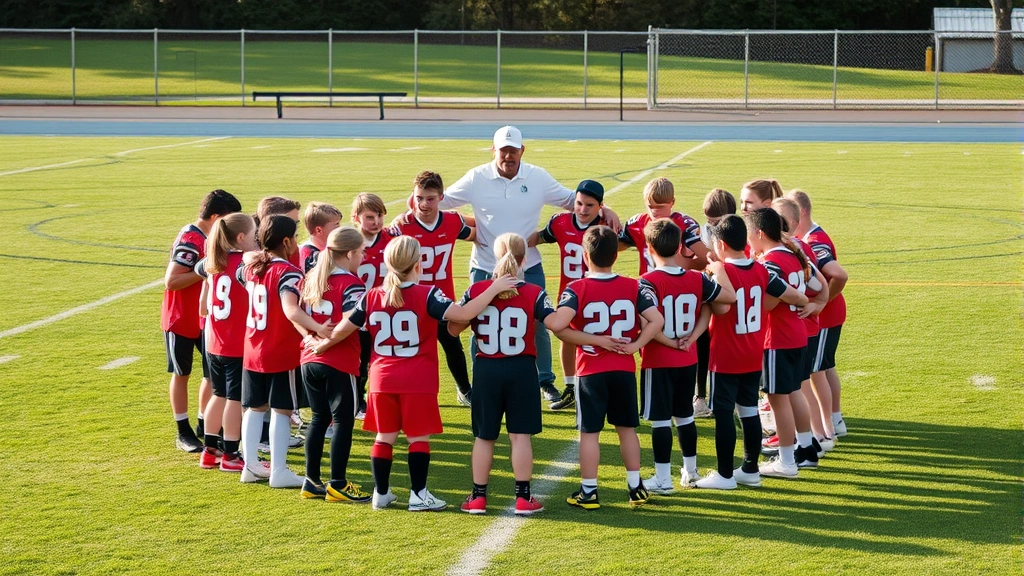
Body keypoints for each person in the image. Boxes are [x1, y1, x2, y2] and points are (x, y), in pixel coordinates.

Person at [402, 125, 621, 404]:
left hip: (528, 266)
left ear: (522, 150)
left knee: (539, 322)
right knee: (475, 320)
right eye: (503, 150)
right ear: (494, 150)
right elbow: (439, 200)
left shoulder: (537, 177)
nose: (508, 155)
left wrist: (605, 208)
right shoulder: (477, 177)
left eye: (513, 150)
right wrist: (409, 212)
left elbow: (573, 200)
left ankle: (544, 381)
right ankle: (479, 380)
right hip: (485, 265)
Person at [310, 236, 517, 512]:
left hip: (381, 379)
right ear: (418, 263)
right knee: (417, 438)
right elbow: (464, 313)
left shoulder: (371, 296)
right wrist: (494, 288)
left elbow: (344, 328)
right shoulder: (427, 293)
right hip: (416, 378)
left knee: (384, 436)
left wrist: (320, 344)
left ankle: (380, 494)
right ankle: (419, 495)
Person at [450, 233, 614, 516]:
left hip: (487, 369)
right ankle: (523, 498)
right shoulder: (534, 292)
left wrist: (486, 294)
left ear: (494, 258)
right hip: (522, 369)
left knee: (484, 437)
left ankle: (478, 497)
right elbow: (555, 323)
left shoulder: (478, 290)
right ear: (524, 259)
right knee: (520, 436)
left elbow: (453, 328)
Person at [546, 226, 665, 510]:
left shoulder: (577, 288)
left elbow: (557, 326)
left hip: (591, 371)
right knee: (627, 430)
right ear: (616, 255)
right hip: (623, 367)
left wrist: (596, 340)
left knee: (589, 433)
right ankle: (636, 487)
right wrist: (635, 346)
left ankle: (589, 491)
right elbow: (656, 321)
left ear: (585, 256)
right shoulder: (633, 285)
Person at [693, 215, 808, 490]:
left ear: (720, 245)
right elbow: (796, 296)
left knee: (723, 414)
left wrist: (716, 271)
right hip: (753, 352)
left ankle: (724, 475)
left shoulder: (721, 272)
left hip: (725, 354)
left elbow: (721, 307)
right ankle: (750, 467)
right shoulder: (762, 270)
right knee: (748, 412)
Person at [638, 219, 734, 494]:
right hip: (687, 357)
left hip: (659, 359)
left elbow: (649, 323)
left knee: (660, 420)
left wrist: (670, 341)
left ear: (649, 247)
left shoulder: (647, 281)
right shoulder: (696, 278)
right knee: (685, 417)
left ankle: (662, 479)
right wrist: (691, 337)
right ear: (681, 247)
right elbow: (722, 300)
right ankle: (690, 473)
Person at [238, 215, 332, 488]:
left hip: (253, 347)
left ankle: (250, 465)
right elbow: (291, 309)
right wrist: (317, 328)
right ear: (287, 241)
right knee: (281, 410)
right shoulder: (288, 272)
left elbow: (243, 266)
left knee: (254, 408)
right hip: (278, 348)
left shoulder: (252, 267)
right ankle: (278, 470)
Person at [746, 208, 828, 478]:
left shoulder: (769, 262)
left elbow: (771, 301)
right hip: (797, 332)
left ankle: (786, 460)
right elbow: (819, 285)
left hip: (778, 336)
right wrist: (815, 304)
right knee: (794, 392)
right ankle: (806, 449)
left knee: (777, 397)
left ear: (759, 233)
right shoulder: (794, 253)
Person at [297, 227, 372, 503]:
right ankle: (338, 482)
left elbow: (295, 314)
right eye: (361, 252)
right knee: (342, 421)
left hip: (309, 360)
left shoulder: (312, 278)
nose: (363, 257)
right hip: (338, 360)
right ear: (350, 253)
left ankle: (311, 480)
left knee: (319, 418)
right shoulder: (352, 284)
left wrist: (310, 338)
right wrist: (324, 343)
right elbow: (352, 323)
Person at [162, 189, 241, 453]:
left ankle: (204, 424)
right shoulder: (192, 238)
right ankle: (182, 431)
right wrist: (207, 267)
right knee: (182, 373)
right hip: (180, 317)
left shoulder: (209, 236)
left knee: (211, 375)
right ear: (216, 216)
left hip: (206, 317)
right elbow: (172, 281)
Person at [391, 171, 477, 406]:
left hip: (441, 298)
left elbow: (476, 233)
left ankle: (464, 389)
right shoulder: (402, 226)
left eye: (430, 198)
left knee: (452, 345)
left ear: (441, 197)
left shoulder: (452, 221)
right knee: (408, 349)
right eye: (419, 198)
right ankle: (405, 392)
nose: (423, 204)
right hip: (411, 299)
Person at [528, 179, 606, 410]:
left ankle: (598, 386)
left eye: (589, 205)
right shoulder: (560, 222)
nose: (582, 210)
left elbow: (622, 244)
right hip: (569, 293)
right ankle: (571, 387)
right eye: (579, 203)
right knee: (566, 335)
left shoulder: (607, 225)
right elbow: (540, 237)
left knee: (597, 338)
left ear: (600, 206)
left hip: (598, 293)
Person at [194, 212, 257, 472]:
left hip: (214, 343)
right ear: (241, 238)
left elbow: (201, 274)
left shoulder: (213, 262)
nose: (256, 241)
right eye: (254, 236)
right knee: (234, 399)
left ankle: (210, 451)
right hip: (235, 343)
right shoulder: (244, 264)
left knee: (218, 394)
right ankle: (231, 454)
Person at [788, 189, 850, 438]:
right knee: (825, 367)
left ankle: (826, 428)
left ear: (800, 213)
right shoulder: (814, 235)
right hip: (829, 313)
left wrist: (823, 302)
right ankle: (835, 420)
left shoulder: (814, 242)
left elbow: (839, 274)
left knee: (816, 372)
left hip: (825, 315)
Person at [772, 197, 832, 454]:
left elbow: (825, 282)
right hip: (801, 327)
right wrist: (818, 303)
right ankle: (815, 436)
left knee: (797, 388)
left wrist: (815, 304)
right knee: (801, 385)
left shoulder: (784, 253)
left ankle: (814, 437)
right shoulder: (798, 248)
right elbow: (821, 286)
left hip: (790, 330)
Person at [691, 187, 738, 418]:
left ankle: (739, 397)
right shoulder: (705, 231)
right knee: (703, 340)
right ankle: (700, 396)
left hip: (729, 291)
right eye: (709, 221)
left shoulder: (739, 233)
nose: (711, 226)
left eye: (716, 222)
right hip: (710, 288)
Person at [352, 192, 396, 418]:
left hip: (385, 312)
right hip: (357, 313)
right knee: (360, 362)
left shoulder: (391, 239)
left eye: (379, 215)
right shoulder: (349, 243)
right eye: (369, 217)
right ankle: (357, 399)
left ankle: (383, 397)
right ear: (356, 217)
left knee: (386, 358)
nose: (377, 221)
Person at [618, 177, 709, 276]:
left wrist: (685, 264)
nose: (654, 212)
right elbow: (612, 247)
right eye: (650, 206)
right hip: (648, 287)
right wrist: (604, 211)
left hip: (676, 285)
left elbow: (707, 257)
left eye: (660, 207)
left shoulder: (684, 224)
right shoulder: (638, 223)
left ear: (672, 203)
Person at [298, 202, 343, 274]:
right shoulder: (310, 256)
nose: (339, 227)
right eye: (336, 224)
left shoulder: (330, 248)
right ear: (319, 230)